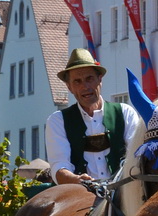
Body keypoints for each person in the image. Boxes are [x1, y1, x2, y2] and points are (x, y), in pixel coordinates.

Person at [45, 48, 141, 186]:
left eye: (89, 79)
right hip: (77, 196)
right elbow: (59, 166)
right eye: (77, 81)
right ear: (70, 87)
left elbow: (136, 157)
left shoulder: (125, 113)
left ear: (99, 80)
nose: (85, 86)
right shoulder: (57, 121)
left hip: (121, 195)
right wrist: (76, 180)